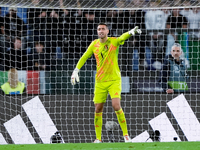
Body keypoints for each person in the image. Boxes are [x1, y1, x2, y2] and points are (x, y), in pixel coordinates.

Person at [71, 23, 141, 143]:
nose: (101, 31)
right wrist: (76, 70)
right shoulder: (94, 44)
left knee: (116, 105)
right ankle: (98, 138)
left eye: (103, 29)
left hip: (114, 80)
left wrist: (130, 33)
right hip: (100, 81)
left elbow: (121, 38)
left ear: (107, 31)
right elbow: (84, 57)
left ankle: (126, 136)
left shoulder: (113, 42)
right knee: (98, 108)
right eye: (99, 29)